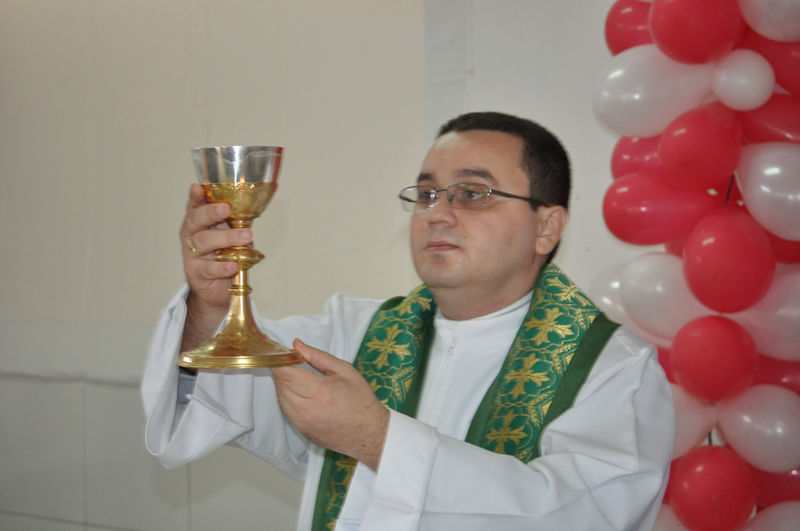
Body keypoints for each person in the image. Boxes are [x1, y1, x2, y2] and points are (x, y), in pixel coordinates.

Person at [142, 112, 674, 531]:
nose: (437, 213)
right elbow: (224, 396)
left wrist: (378, 439)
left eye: (473, 193)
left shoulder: (611, 369)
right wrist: (212, 305)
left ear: (547, 227)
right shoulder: (355, 333)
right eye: (426, 195)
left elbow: (580, 517)